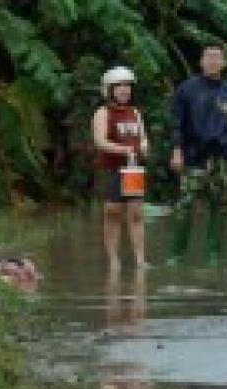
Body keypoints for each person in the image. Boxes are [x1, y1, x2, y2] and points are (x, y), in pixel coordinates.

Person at [166, 42, 227, 266]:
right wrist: (176, 150)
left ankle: (213, 255)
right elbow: (176, 123)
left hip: (223, 158)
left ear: (223, 62)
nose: (212, 61)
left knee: (221, 207)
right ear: (201, 61)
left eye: (217, 57)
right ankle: (176, 255)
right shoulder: (186, 89)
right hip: (193, 155)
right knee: (185, 206)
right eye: (208, 57)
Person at [92, 66, 150, 270]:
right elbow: (100, 141)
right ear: (110, 90)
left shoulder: (135, 112)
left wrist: (143, 147)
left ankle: (140, 259)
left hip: (133, 169)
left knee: (136, 213)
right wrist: (126, 149)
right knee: (113, 212)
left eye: (128, 86)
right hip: (111, 169)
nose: (125, 90)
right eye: (120, 87)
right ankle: (113, 260)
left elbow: (143, 138)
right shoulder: (102, 112)